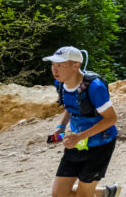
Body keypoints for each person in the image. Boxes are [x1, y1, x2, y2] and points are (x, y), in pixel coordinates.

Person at [46, 47, 121, 197]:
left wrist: (78, 137)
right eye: (53, 64)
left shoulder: (95, 87)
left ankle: (99, 192)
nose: (55, 69)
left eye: (60, 65)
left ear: (76, 65)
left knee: (83, 195)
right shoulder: (60, 83)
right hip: (78, 142)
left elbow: (111, 119)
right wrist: (61, 127)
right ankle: (105, 193)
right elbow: (72, 106)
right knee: (58, 195)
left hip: (100, 144)